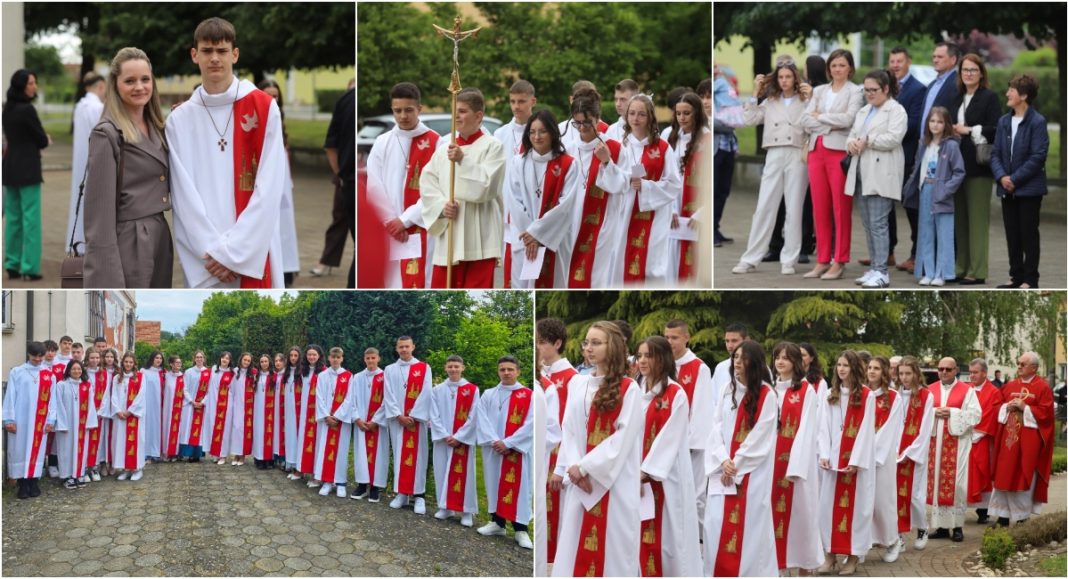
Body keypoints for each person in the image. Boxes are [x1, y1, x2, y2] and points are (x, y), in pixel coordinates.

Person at [166, 17, 287, 288]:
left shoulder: (264, 108)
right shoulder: (180, 120)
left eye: (222, 51)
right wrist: (214, 255)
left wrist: (234, 254)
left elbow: (269, 188)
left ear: (235, 54)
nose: (215, 59)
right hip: (206, 258)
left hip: (254, 247)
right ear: (194, 55)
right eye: (207, 51)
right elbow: (183, 197)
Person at [550, 321, 641, 577]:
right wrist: (574, 468)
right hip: (580, 482)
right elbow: (569, 430)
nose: (588, 348)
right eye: (586, 342)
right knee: (574, 545)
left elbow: (624, 437)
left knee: (612, 550)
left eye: (596, 343)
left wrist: (586, 466)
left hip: (614, 483)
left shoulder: (629, 388)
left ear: (612, 347)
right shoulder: (578, 384)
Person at [83, 48, 173, 288]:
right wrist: (106, 280)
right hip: (130, 241)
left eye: (145, 79)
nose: (139, 87)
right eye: (130, 81)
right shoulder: (107, 134)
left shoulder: (157, 127)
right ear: (115, 84)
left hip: (159, 234)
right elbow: (98, 219)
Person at [703, 340, 777, 576]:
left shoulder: (767, 394)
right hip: (723, 470)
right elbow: (715, 427)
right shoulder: (728, 390)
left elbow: (761, 435)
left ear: (754, 362)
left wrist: (736, 465)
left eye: (743, 358)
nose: (737, 362)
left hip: (751, 473)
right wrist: (723, 459)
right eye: (735, 357)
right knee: (716, 524)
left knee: (750, 527)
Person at [420, 88, 506, 288]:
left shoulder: (493, 147)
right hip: (452, 231)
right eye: (454, 111)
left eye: (462, 111)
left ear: (478, 116)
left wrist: (463, 160)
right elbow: (427, 183)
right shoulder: (444, 150)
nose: (456, 115)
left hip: (481, 235)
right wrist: (442, 207)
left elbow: (487, 187)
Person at [732, 59, 809, 276]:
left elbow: (814, 122)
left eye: (788, 77)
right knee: (764, 206)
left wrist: (812, 98)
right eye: (781, 77)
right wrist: (755, 93)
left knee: (794, 208)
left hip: (796, 153)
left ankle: (789, 259)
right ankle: (750, 258)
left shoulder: (805, 101)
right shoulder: (770, 101)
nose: (784, 81)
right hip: (774, 153)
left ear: (795, 78)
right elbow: (749, 119)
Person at [636, 336, 701, 576]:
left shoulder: (676, 393)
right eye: (640, 355)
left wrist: (645, 471)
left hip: (665, 477)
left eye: (648, 355)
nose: (642, 361)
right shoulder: (634, 390)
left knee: (669, 539)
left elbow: (670, 438)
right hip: (635, 474)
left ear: (662, 358)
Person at [366, 82, 440, 288]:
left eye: (409, 110)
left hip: (421, 226)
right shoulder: (382, 142)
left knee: (419, 283)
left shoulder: (436, 143)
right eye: (397, 111)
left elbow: (436, 191)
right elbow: (373, 186)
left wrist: (405, 220)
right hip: (389, 228)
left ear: (419, 109)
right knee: (391, 284)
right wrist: (392, 222)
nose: (403, 116)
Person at [551, 89, 626, 288]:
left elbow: (623, 186)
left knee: (595, 275)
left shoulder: (615, 148)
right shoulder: (567, 148)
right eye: (577, 122)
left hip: (601, 224)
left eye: (587, 122)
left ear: (598, 118)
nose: (582, 128)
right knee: (568, 274)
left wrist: (607, 163)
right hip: (570, 223)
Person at [800, 50, 864, 281]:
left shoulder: (855, 91)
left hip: (839, 153)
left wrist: (821, 117)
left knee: (840, 207)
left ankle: (840, 260)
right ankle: (822, 259)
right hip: (816, 152)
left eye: (842, 65)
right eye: (834, 65)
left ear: (850, 68)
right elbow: (805, 120)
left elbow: (849, 119)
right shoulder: (819, 91)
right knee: (819, 207)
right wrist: (826, 121)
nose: (837, 69)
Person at [845, 69, 907, 289]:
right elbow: (852, 134)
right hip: (862, 171)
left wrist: (868, 140)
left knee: (879, 223)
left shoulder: (896, 110)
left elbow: (894, 137)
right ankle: (874, 267)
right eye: (867, 90)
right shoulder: (864, 110)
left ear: (886, 89)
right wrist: (851, 143)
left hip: (882, 173)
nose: (870, 94)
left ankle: (882, 272)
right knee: (868, 224)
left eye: (874, 90)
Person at [816, 350, 876, 576]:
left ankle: (852, 558)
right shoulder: (830, 395)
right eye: (838, 365)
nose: (841, 369)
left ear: (855, 368)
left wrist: (856, 460)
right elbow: (823, 427)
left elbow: (866, 431)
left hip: (857, 465)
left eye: (846, 365)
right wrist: (823, 453)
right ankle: (829, 556)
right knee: (828, 509)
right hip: (832, 461)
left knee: (857, 509)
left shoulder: (867, 396)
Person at [615, 94, 682, 285]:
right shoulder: (621, 145)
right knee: (623, 259)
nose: (636, 119)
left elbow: (674, 183)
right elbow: (610, 177)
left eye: (641, 114)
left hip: (655, 214)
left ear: (650, 117)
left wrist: (645, 186)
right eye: (632, 113)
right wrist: (626, 180)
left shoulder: (662, 147)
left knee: (652, 264)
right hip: (625, 212)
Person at [509, 109, 580, 288]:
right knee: (522, 289)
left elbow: (566, 205)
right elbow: (514, 201)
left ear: (553, 132)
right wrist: (530, 235)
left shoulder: (569, 164)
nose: (537, 136)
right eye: (532, 132)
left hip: (555, 239)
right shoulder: (519, 162)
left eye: (542, 131)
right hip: (524, 239)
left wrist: (537, 234)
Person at [769, 342, 824, 573]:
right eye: (777, 357)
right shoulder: (767, 388)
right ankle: (777, 565)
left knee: (800, 514)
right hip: (770, 461)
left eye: (786, 358)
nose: (780, 362)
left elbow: (808, 428)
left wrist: (795, 465)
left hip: (796, 465)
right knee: (771, 513)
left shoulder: (805, 390)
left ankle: (803, 565)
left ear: (796, 362)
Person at [991, 74, 1048, 289]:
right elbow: (995, 153)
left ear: (1023, 95)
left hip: (1029, 190)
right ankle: (1015, 276)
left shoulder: (1038, 122)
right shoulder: (1004, 121)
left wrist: (1014, 179)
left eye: (1012, 90)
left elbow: (1038, 156)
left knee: (1028, 235)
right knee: (1012, 234)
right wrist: (1002, 177)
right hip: (1007, 187)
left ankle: (1030, 280)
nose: (1007, 93)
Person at [949, 54, 1001, 285]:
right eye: (965, 70)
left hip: (978, 165)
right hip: (956, 164)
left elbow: (995, 128)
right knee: (959, 220)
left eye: (973, 70)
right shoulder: (956, 98)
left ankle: (977, 271)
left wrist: (968, 130)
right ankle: (961, 267)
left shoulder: (988, 97)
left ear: (981, 73)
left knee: (977, 221)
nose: (968, 73)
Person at [989, 352, 1055, 526]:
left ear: (1034, 367)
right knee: (1004, 474)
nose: (1018, 366)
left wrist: (1025, 407)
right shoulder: (1009, 386)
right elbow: (996, 406)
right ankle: (1002, 516)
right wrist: (1006, 406)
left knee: (1024, 475)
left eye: (1022, 364)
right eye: (1018, 363)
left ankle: (1021, 517)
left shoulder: (1043, 387)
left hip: (1028, 442)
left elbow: (1047, 414)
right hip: (1008, 442)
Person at [902, 106, 966, 286]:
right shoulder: (923, 143)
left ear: (946, 124)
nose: (935, 125)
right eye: (932, 121)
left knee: (944, 234)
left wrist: (946, 190)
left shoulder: (951, 145)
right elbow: (916, 167)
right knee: (926, 233)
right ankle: (928, 272)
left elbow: (959, 172)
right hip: (925, 191)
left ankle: (942, 274)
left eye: (939, 122)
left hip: (942, 193)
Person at [476, 356, 534, 548]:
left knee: (520, 489)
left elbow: (531, 424)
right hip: (494, 449)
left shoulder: (529, 395)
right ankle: (497, 523)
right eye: (502, 369)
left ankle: (521, 530)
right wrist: (495, 441)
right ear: (498, 371)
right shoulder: (489, 394)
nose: (506, 373)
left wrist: (508, 443)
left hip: (516, 450)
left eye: (510, 369)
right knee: (494, 483)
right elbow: (481, 418)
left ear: (518, 371)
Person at [663, 319, 714, 533]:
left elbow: (702, 408)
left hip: (691, 445)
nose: (670, 342)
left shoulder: (698, 368)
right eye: (666, 337)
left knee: (694, 495)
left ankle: (698, 543)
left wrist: (691, 442)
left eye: (674, 337)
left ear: (686, 337)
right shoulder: (662, 365)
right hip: (664, 443)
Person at [926, 356, 981, 542]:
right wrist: (934, 412)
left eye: (948, 369)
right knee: (938, 484)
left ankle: (957, 526)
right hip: (936, 445)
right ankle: (941, 527)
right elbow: (921, 414)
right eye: (940, 369)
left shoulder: (967, 391)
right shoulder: (930, 390)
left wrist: (952, 413)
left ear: (956, 370)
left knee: (957, 485)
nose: (943, 372)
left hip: (958, 445)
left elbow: (975, 415)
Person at [536, 318, 577, 563]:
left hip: (559, 452)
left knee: (559, 514)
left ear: (558, 343)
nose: (537, 347)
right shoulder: (539, 375)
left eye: (542, 343)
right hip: (542, 449)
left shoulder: (573, 377)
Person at [3, 69, 50, 281]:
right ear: (22, 85)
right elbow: (40, 139)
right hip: (28, 169)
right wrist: (46, 139)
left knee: (13, 218)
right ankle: (30, 268)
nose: (34, 86)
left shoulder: (7, 108)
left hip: (9, 168)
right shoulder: (27, 109)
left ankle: (11, 264)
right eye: (31, 83)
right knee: (31, 219)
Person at [882, 48, 925, 276]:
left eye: (900, 61)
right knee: (885, 206)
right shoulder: (886, 86)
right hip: (884, 157)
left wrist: (889, 133)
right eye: (892, 61)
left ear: (908, 62)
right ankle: (886, 251)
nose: (896, 65)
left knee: (911, 207)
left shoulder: (918, 89)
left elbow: (915, 123)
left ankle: (917, 254)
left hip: (906, 156)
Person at [257, 79, 300, 286]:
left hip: (282, 173)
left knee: (284, 220)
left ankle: (287, 267)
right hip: (264, 172)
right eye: (268, 95)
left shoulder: (278, 115)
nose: (272, 99)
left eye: (275, 96)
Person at [382, 335, 433, 512]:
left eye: (407, 346)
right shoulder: (389, 369)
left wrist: (414, 415)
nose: (404, 349)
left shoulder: (424, 368)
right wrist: (398, 415)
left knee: (419, 457)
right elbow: (387, 394)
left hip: (415, 422)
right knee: (399, 455)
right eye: (401, 347)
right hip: (398, 422)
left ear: (413, 347)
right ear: (396, 349)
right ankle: (402, 493)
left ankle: (419, 496)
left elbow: (427, 392)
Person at [494, 80, 537, 287]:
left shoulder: (541, 133)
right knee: (509, 275)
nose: (516, 106)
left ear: (533, 101)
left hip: (530, 211)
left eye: (521, 101)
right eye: (513, 101)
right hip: (506, 212)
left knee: (530, 273)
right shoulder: (500, 134)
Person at [429, 355, 480, 526]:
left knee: (465, 475)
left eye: (456, 366)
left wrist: (458, 437)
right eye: (450, 366)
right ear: (445, 368)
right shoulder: (437, 390)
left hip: (462, 441)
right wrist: (444, 435)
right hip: (443, 439)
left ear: (462, 368)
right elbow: (433, 415)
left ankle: (466, 510)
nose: (453, 369)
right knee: (442, 471)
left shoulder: (472, 389)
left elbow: (474, 416)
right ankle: (445, 507)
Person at [3, 342, 57, 498]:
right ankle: (22, 484)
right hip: (21, 419)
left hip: (41, 421)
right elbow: (10, 396)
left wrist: (51, 420)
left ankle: (34, 482)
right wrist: (9, 419)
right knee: (20, 450)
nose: (39, 359)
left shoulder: (49, 375)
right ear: (29, 354)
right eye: (35, 356)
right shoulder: (17, 372)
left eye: (41, 356)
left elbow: (52, 400)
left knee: (37, 451)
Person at [867, 356, 905, 563]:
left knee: (883, 501)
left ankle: (892, 540)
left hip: (881, 457)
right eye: (869, 368)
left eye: (876, 368)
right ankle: (861, 545)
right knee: (864, 502)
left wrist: (873, 450)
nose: (872, 371)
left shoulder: (893, 397)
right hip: (861, 457)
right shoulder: (861, 394)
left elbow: (892, 427)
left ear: (884, 372)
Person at [668, 92, 710, 282]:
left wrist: (702, 212)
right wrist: (670, 209)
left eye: (687, 113)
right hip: (673, 211)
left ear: (697, 113)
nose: (682, 118)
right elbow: (664, 176)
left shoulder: (707, 139)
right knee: (671, 263)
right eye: (678, 113)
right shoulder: (670, 136)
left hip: (696, 213)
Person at [893, 356, 934, 550]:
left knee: (914, 496)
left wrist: (909, 452)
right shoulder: (894, 394)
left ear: (916, 373)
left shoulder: (927, 396)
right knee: (894, 495)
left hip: (913, 453)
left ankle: (922, 527)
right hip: (893, 453)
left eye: (908, 373)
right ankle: (898, 535)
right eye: (901, 373)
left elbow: (925, 428)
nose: (904, 377)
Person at [68, 72, 106, 249]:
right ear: (100, 86)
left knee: (79, 200)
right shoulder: (96, 108)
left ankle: (78, 242)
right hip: (94, 159)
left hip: (80, 160)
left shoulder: (80, 106)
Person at [324, 84, 356, 287]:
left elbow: (330, 145)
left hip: (350, 181)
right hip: (355, 181)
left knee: (359, 248)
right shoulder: (347, 100)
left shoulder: (344, 100)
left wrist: (340, 175)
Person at [313, 347, 355, 497]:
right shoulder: (322, 376)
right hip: (327, 421)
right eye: (333, 357)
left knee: (341, 451)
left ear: (342, 358)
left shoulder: (349, 376)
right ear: (329, 358)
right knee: (325, 450)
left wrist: (337, 416)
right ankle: (327, 481)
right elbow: (319, 397)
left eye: (338, 357)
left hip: (340, 422)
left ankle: (341, 482)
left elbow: (350, 399)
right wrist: (326, 416)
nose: (335, 359)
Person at [966, 358, 1004, 524]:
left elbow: (991, 415)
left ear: (984, 373)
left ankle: (983, 510)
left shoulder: (994, 392)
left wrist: (976, 433)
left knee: (982, 471)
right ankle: (963, 505)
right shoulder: (966, 389)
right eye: (971, 372)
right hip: (964, 437)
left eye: (975, 372)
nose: (972, 376)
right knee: (965, 473)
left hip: (982, 439)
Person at [53, 360, 98, 489]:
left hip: (82, 425)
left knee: (80, 450)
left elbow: (91, 405)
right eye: (74, 369)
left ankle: (79, 474)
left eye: (79, 369)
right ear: (68, 370)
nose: (77, 371)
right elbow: (58, 405)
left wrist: (90, 422)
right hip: (67, 425)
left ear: (82, 371)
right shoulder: (61, 385)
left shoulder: (86, 385)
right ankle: (67, 476)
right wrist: (61, 424)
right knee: (66, 450)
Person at [351, 347, 387, 503]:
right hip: (361, 423)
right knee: (361, 455)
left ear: (378, 358)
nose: (371, 361)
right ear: (364, 359)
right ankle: (362, 485)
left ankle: (375, 487)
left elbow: (388, 401)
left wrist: (375, 421)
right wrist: (357, 419)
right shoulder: (357, 377)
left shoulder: (385, 377)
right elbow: (351, 399)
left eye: (373, 358)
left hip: (377, 425)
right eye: (368, 358)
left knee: (378, 455)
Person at [711, 71, 738, 248]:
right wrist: (730, 123)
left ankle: (716, 227)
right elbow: (712, 121)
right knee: (713, 191)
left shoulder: (724, 85)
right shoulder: (710, 92)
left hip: (728, 146)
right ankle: (710, 231)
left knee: (723, 190)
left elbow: (737, 112)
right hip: (716, 148)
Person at [110, 352, 147, 481]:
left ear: (134, 363)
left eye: (131, 362)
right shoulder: (116, 378)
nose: (128, 364)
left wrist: (130, 411)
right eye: (126, 362)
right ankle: (125, 469)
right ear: (122, 362)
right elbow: (113, 396)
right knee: (120, 441)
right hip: (120, 415)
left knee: (135, 442)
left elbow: (141, 396)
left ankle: (137, 469)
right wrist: (118, 410)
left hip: (133, 415)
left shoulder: (141, 377)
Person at [294, 345, 327, 486]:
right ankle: (303, 469)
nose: (311, 357)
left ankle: (317, 475)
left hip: (318, 413)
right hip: (305, 412)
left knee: (318, 442)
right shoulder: (304, 371)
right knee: (304, 441)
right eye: (309, 355)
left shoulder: (325, 372)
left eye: (314, 355)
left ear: (319, 356)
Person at [178, 351, 210, 462]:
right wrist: (192, 401)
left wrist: (202, 402)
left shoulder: (208, 373)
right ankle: (188, 453)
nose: (199, 359)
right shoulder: (188, 372)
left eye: (201, 357)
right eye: (197, 357)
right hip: (190, 405)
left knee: (199, 430)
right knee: (188, 429)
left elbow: (210, 390)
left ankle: (197, 454)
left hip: (202, 406)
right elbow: (184, 388)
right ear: (194, 359)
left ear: (204, 359)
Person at [205, 352, 236, 464]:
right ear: (220, 358)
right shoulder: (214, 370)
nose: (225, 360)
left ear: (230, 361)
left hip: (226, 405)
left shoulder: (232, 373)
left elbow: (234, 389)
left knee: (225, 429)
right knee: (213, 427)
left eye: (227, 358)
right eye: (223, 357)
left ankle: (223, 455)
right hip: (213, 404)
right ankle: (215, 453)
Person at [252, 354, 279, 469]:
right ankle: (259, 458)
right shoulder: (256, 375)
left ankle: (269, 459)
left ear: (269, 362)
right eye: (262, 361)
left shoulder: (274, 376)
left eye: (266, 361)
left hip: (270, 409)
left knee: (269, 433)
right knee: (259, 433)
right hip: (258, 409)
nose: (264, 363)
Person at [229, 352, 255, 466]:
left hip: (248, 406)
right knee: (236, 429)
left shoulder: (253, 374)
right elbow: (231, 389)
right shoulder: (234, 372)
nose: (246, 362)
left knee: (245, 430)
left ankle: (243, 455)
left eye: (249, 361)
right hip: (237, 405)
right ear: (241, 360)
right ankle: (236, 454)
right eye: (245, 360)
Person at [140, 351, 165, 462]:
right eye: (156, 358)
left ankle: (156, 452)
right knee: (147, 428)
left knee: (157, 428)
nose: (158, 360)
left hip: (160, 404)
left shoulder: (164, 372)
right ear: (152, 359)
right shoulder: (144, 371)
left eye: (160, 358)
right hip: (147, 403)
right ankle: (145, 452)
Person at [282, 347, 303, 478]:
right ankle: (292, 464)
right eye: (291, 356)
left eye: (296, 355)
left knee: (298, 438)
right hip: (289, 409)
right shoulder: (288, 371)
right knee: (290, 437)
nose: (293, 358)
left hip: (299, 410)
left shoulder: (302, 372)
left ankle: (299, 468)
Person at [161, 355, 186, 461]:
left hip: (180, 407)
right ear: (171, 364)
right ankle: (167, 452)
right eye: (176, 362)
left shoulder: (183, 377)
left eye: (180, 363)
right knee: (167, 428)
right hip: (168, 407)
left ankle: (176, 453)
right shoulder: (166, 376)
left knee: (179, 429)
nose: (178, 365)